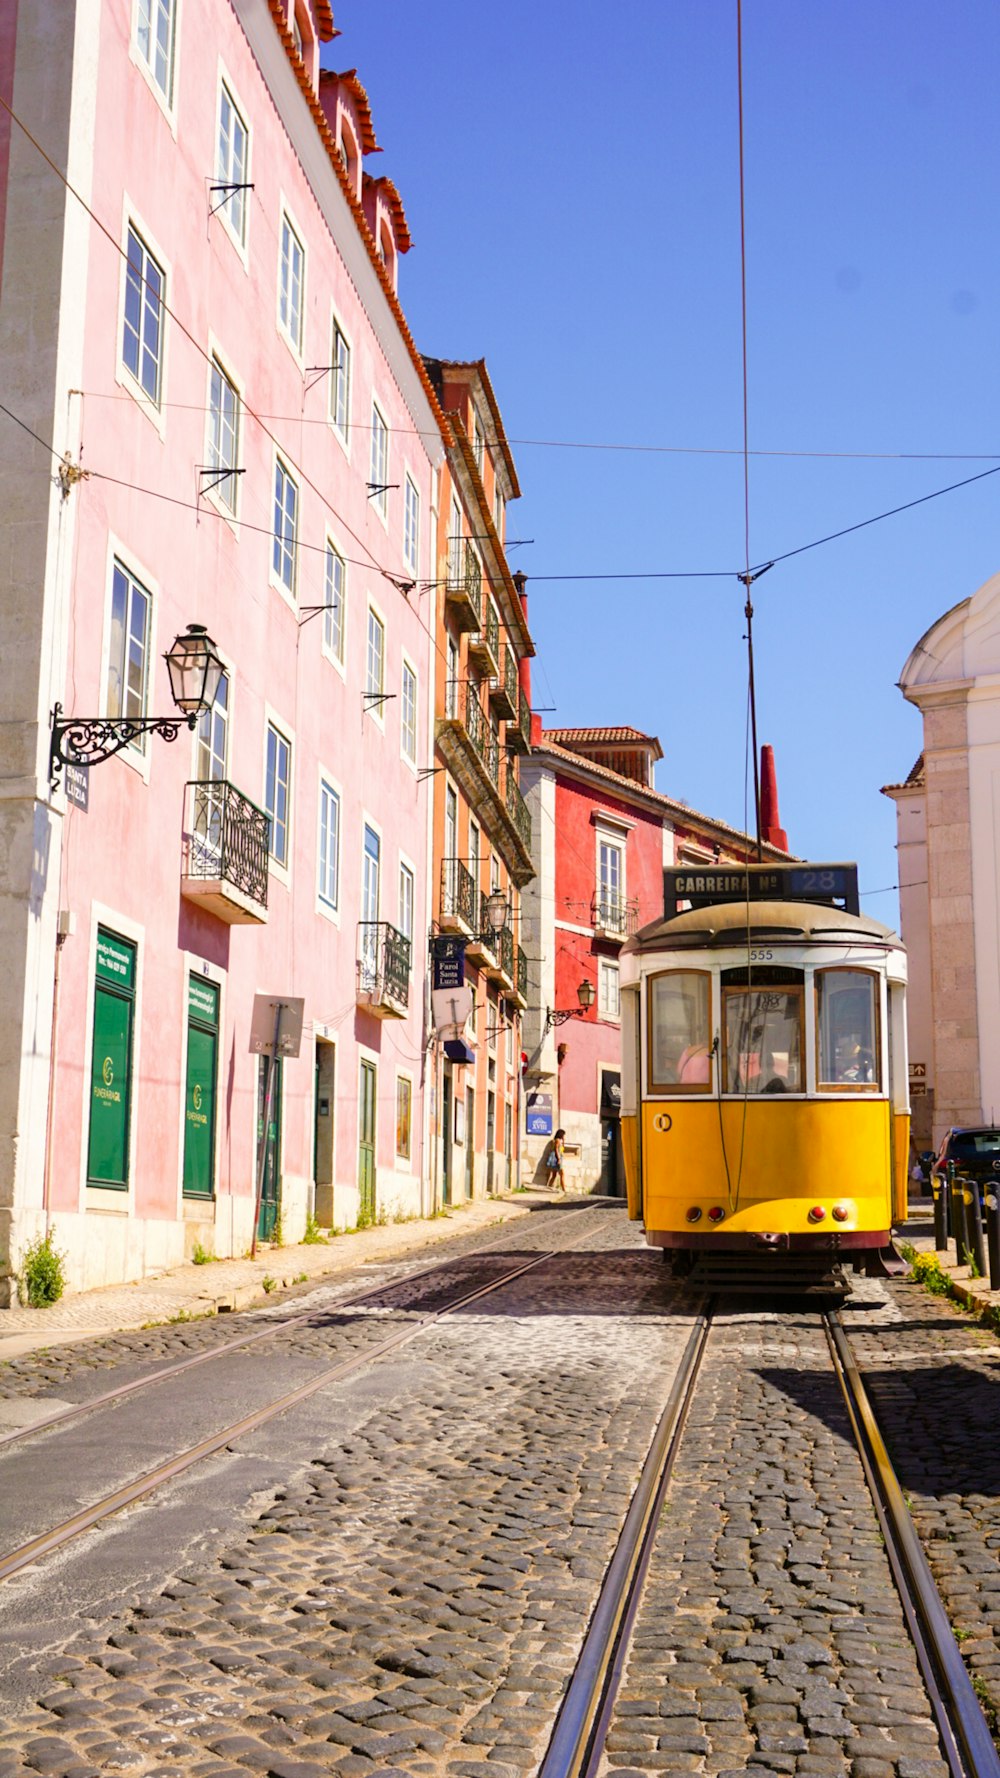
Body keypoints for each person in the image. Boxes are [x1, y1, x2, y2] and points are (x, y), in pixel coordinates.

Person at [546, 1128, 566, 1192]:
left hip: (559, 1158)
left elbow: (562, 1149)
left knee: (554, 1175)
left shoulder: (560, 1141)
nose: (564, 1136)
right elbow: (556, 1150)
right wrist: (558, 1159)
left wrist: (563, 1141)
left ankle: (548, 1187)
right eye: (563, 1135)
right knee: (562, 1174)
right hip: (557, 1159)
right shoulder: (557, 1140)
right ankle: (564, 1189)